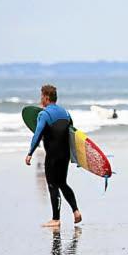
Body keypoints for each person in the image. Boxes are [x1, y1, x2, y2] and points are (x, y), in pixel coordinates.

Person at [25, 84, 82, 228]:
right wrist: (76, 156)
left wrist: (30, 153)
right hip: (65, 155)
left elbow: (37, 134)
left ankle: (55, 219)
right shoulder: (66, 113)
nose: (40, 99)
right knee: (62, 183)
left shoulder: (44, 114)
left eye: (41, 96)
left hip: (52, 155)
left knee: (52, 184)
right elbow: (72, 134)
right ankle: (76, 211)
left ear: (46, 97)